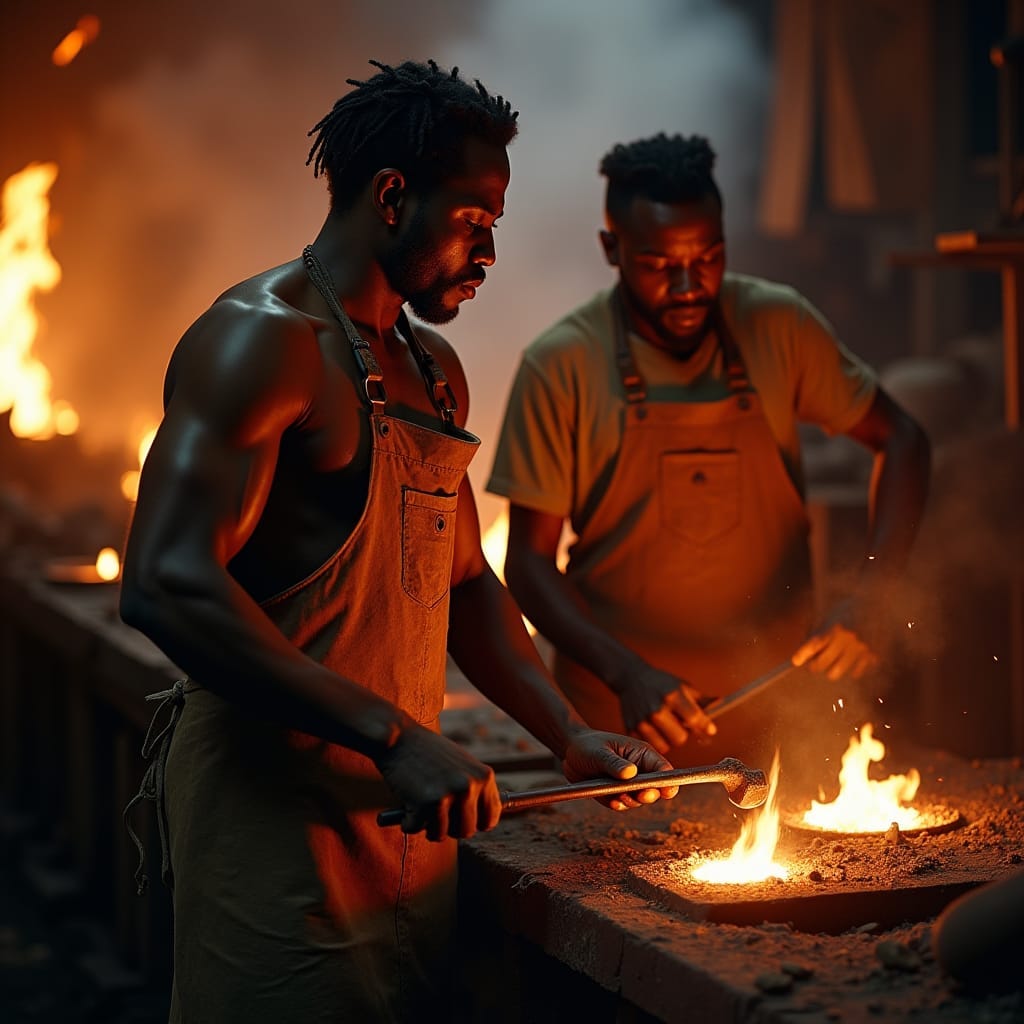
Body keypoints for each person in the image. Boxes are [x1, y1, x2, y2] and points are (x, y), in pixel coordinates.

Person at [118, 61, 679, 1024]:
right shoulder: (264, 342)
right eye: (474, 219)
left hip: (409, 829)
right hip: (274, 828)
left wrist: (566, 732)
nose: (490, 249)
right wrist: (391, 734)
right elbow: (166, 586)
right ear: (391, 196)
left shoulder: (434, 368)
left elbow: (462, 580)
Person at [486, 133, 930, 780]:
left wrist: (873, 596)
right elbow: (527, 562)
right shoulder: (562, 364)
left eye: (710, 258)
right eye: (660, 265)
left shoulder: (778, 326)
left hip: (778, 710)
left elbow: (904, 440)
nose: (691, 286)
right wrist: (626, 671)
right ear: (611, 249)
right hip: (619, 725)